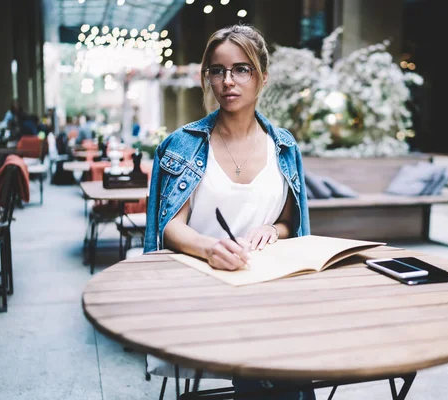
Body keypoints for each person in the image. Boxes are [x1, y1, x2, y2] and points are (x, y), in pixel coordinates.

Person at [144, 25, 312, 399]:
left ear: (262, 77)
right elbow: (169, 226)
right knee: (278, 379)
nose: (227, 81)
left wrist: (274, 229)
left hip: (268, 289)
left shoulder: (284, 147)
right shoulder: (181, 145)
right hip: (206, 291)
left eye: (241, 69)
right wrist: (209, 248)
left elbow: (290, 223)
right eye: (217, 71)